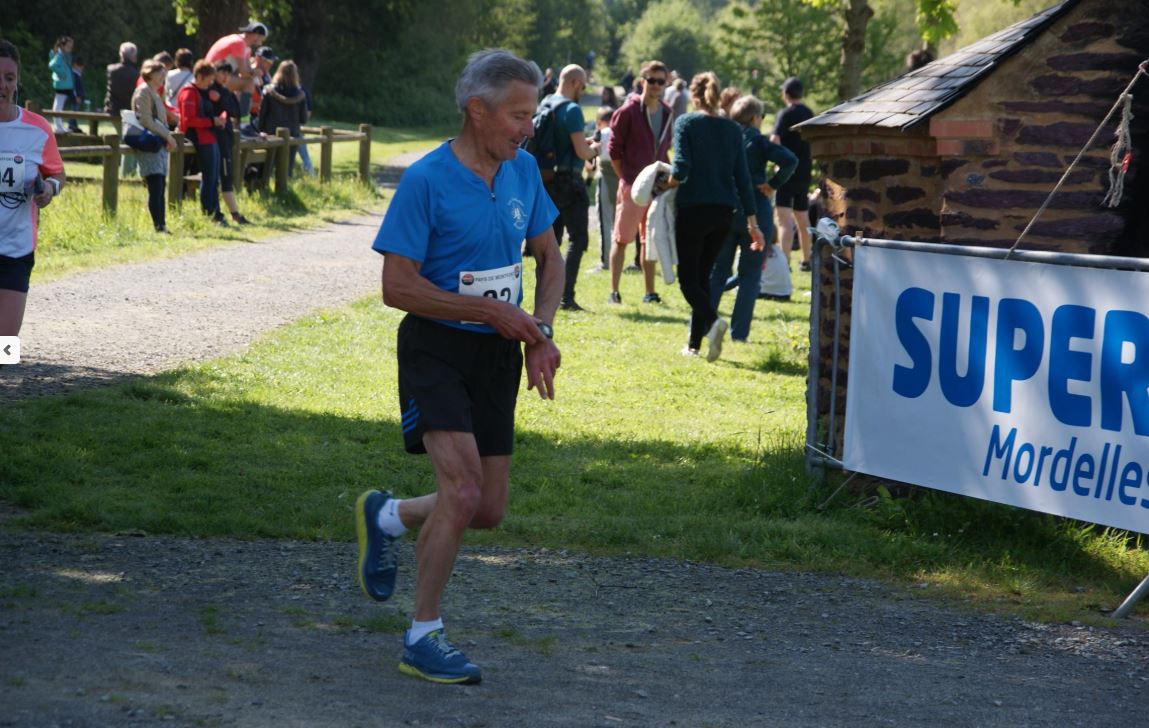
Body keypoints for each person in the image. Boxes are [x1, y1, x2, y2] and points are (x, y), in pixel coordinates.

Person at [356, 48, 563, 685]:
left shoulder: (524, 170)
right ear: (478, 110)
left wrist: (539, 332)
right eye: (518, 115)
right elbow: (397, 286)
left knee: (488, 507)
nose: (529, 127)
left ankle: (386, 517)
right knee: (463, 488)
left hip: (498, 355)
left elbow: (551, 259)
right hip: (436, 349)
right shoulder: (426, 181)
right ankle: (423, 634)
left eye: (532, 114)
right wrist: (484, 311)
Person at [662, 71, 763, 361]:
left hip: (693, 208)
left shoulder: (686, 122)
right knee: (703, 278)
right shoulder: (733, 130)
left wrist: (661, 182)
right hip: (724, 213)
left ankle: (713, 321)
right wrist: (753, 224)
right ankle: (694, 344)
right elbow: (743, 179)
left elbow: (680, 169)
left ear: (694, 96)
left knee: (688, 280)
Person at [709, 95, 797, 342]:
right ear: (755, 118)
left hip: (726, 209)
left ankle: (706, 324)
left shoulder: (722, 139)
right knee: (749, 276)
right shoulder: (759, 141)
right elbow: (790, 160)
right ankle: (739, 334)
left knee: (718, 272)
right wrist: (773, 184)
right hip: (757, 210)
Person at [0, 39, 66, 336]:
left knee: (6, 342)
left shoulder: (37, 129)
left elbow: (57, 174)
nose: (2, 85)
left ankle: (6, 381)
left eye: (9, 78)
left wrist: (50, 189)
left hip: (16, 247)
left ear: (17, 81)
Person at [607, 60, 673, 305]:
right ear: (642, 81)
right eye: (651, 80)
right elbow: (614, 150)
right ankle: (614, 291)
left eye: (660, 81)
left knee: (651, 239)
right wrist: (625, 178)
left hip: (657, 186)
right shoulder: (627, 112)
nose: (656, 85)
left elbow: (665, 148)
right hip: (632, 186)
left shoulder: (667, 112)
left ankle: (650, 292)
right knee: (622, 239)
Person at [539, 64, 598, 311]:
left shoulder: (546, 103)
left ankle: (544, 293)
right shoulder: (573, 110)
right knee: (579, 239)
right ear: (575, 82)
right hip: (570, 183)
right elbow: (582, 152)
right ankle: (566, 296)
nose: (583, 91)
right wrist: (595, 149)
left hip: (547, 180)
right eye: (583, 86)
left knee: (550, 242)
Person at [128, 59, 178, 233]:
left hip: (158, 145)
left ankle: (162, 224)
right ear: (151, 73)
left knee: (160, 187)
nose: (163, 77)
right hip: (149, 144)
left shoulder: (154, 92)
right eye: (160, 73)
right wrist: (167, 135)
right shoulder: (143, 92)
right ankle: (159, 226)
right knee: (155, 186)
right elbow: (145, 119)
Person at [772, 76, 814, 271]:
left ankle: (785, 261)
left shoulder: (785, 114)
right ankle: (807, 260)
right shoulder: (809, 113)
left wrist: (778, 161)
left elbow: (774, 139)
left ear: (786, 93)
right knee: (802, 218)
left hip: (787, 171)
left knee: (784, 220)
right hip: (805, 171)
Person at [178, 60, 227, 225]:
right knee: (209, 176)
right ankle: (209, 212)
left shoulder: (204, 92)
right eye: (208, 80)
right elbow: (189, 120)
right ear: (199, 77)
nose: (210, 84)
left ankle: (216, 211)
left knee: (214, 178)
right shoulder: (189, 93)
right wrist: (213, 121)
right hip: (199, 137)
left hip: (209, 137)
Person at [207, 62, 250, 224]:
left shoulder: (226, 92)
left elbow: (236, 112)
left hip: (226, 140)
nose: (225, 76)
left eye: (228, 74)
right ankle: (228, 214)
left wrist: (222, 100)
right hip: (215, 139)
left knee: (226, 176)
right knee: (220, 177)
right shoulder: (208, 91)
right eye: (222, 72)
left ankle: (232, 213)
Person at [205, 21, 268, 118]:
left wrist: (255, 75)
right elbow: (244, 72)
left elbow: (245, 73)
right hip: (211, 80)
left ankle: (239, 120)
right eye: (260, 39)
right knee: (249, 83)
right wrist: (255, 74)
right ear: (255, 34)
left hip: (220, 78)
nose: (260, 43)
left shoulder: (246, 47)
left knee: (247, 85)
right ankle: (244, 122)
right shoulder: (239, 43)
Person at [257, 59, 308, 176]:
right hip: (292, 134)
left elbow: (262, 115)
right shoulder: (300, 95)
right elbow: (303, 119)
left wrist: (260, 130)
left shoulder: (269, 91)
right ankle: (284, 191)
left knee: (266, 167)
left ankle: (263, 189)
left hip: (270, 134)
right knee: (287, 169)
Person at [593, 106, 617, 270]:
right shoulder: (620, 132)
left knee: (604, 221)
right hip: (621, 178)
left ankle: (605, 261)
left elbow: (592, 158)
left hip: (606, 176)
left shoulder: (603, 133)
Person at [48, 36, 74, 132]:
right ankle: (58, 127)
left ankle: (59, 126)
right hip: (62, 84)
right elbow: (52, 65)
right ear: (62, 46)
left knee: (59, 104)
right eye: (68, 46)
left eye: (71, 47)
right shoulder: (60, 55)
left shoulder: (63, 55)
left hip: (64, 84)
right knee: (58, 105)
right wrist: (62, 73)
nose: (70, 49)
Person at [68, 57, 86, 132]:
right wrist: (76, 96)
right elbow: (74, 87)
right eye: (80, 67)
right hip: (76, 97)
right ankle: (71, 125)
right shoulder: (74, 75)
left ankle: (74, 125)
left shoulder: (77, 74)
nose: (81, 69)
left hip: (79, 97)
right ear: (75, 65)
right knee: (74, 111)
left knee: (76, 111)